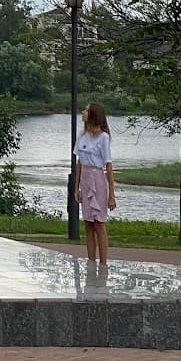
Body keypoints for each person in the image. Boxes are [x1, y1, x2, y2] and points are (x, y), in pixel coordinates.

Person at [74, 102, 116, 263]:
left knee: (99, 223)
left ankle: (103, 263)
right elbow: (79, 162)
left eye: (86, 110)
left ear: (93, 115)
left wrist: (111, 195)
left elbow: (108, 165)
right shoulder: (82, 136)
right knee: (88, 224)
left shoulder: (103, 137)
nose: (82, 112)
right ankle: (91, 261)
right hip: (85, 179)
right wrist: (76, 187)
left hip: (97, 178)